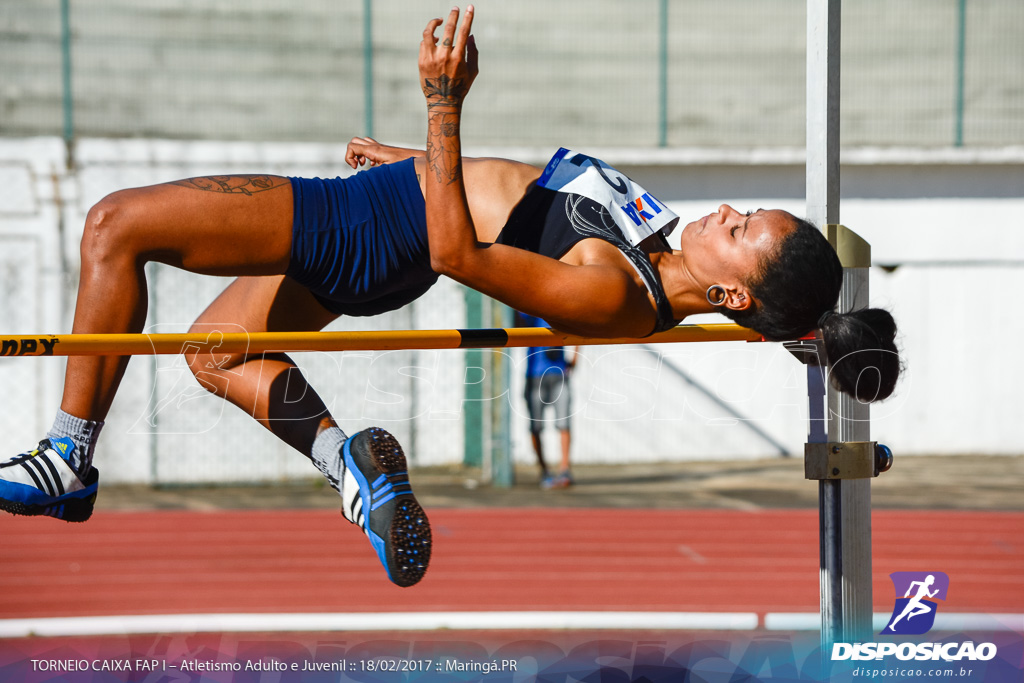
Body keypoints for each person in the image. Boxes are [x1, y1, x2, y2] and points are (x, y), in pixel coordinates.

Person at [0, 6, 900, 588]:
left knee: (114, 225)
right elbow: (507, 192)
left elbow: (456, 250)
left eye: (744, 229)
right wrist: (414, 155)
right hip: (390, 202)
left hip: (371, 231)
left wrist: (441, 101)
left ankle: (67, 454)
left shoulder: (616, 297)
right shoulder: (654, 238)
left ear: (736, 291)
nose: (732, 211)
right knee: (213, 350)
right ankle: (350, 470)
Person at [516, 312, 579, 489]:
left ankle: (565, 469)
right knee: (536, 426)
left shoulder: (560, 310)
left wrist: (575, 358)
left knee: (564, 423)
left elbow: (579, 326)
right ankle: (544, 470)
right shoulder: (530, 311)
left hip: (559, 375)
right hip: (535, 376)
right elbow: (517, 318)